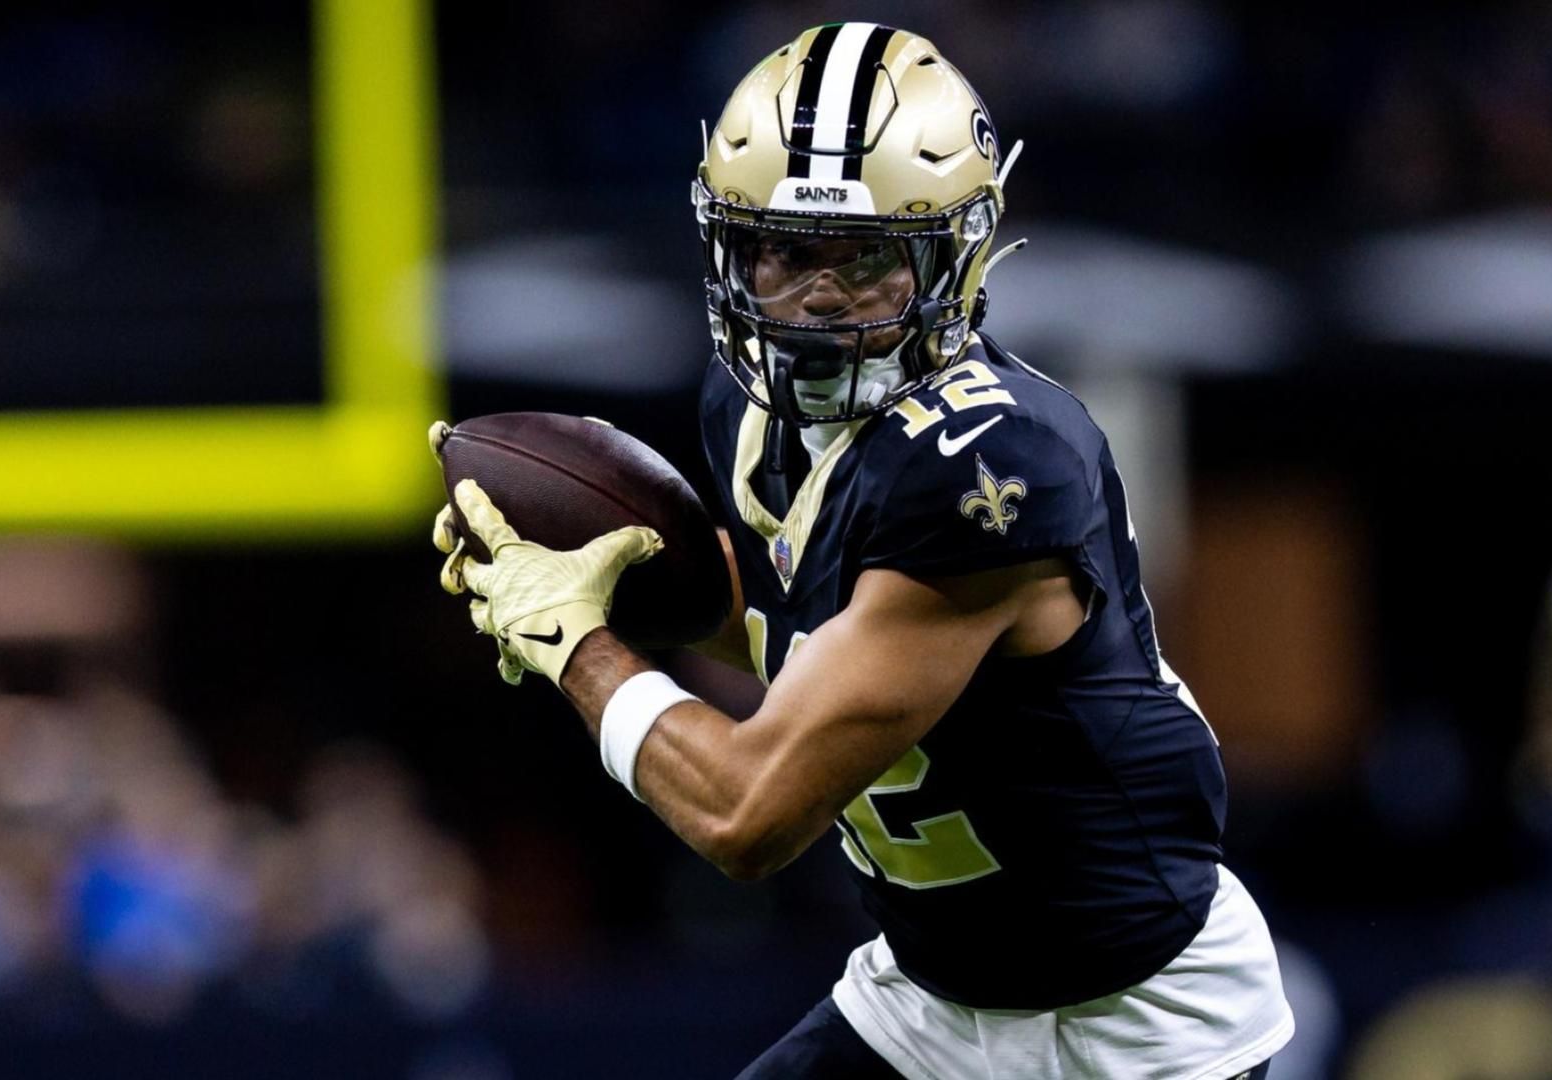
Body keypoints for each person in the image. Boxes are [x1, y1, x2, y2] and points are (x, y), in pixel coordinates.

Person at [432, 23, 1293, 1079]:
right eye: (787, 251)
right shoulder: (750, 417)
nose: (821, 297)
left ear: (955, 255)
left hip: (1127, 1023)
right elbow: (799, 641)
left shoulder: (994, 465)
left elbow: (747, 813)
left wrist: (573, 642)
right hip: (934, 997)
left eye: (868, 257)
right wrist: (606, 578)